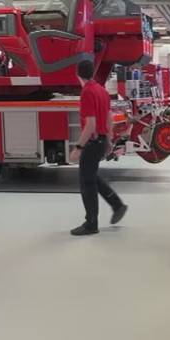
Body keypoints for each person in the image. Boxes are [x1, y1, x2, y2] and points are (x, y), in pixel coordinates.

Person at [68, 60, 127, 236]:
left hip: (92, 142)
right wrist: (108, 139)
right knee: (91, 176)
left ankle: (91, 223)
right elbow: (109, 117)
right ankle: (117, 205)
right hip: (101, 141)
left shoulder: (87, 92)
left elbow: (90, 125)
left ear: (77, 74)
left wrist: (78, 147)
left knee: (87, 183)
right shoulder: (101, 90)